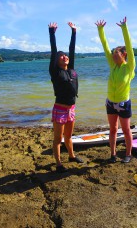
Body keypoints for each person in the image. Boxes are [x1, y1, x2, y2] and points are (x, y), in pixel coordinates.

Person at [95, 17, 136, 163]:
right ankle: (112, 154)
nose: (113, 55)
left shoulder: (129, 67)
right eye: (113, 54)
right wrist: (101, 30)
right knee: (112, 129)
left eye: (116, 53)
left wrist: (124, 28)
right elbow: (105, 46)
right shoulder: (113, 66)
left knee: (125, 130)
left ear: (124, 54)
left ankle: (128, 154)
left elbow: (130, 47)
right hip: (110, 103)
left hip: (123, 103)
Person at [48, 21, 83, 173]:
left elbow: (72, 49)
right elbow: (53, 51)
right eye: (61, 56)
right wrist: (52, 34)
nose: (64, 57)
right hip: (60, 109)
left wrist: (74, 32)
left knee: (69, 136)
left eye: (65, 56)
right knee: (58, 138)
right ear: (56, 61)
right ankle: (58, 164)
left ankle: (72, 156)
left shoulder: (72, 69)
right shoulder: (55, 72)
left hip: (71, 109)